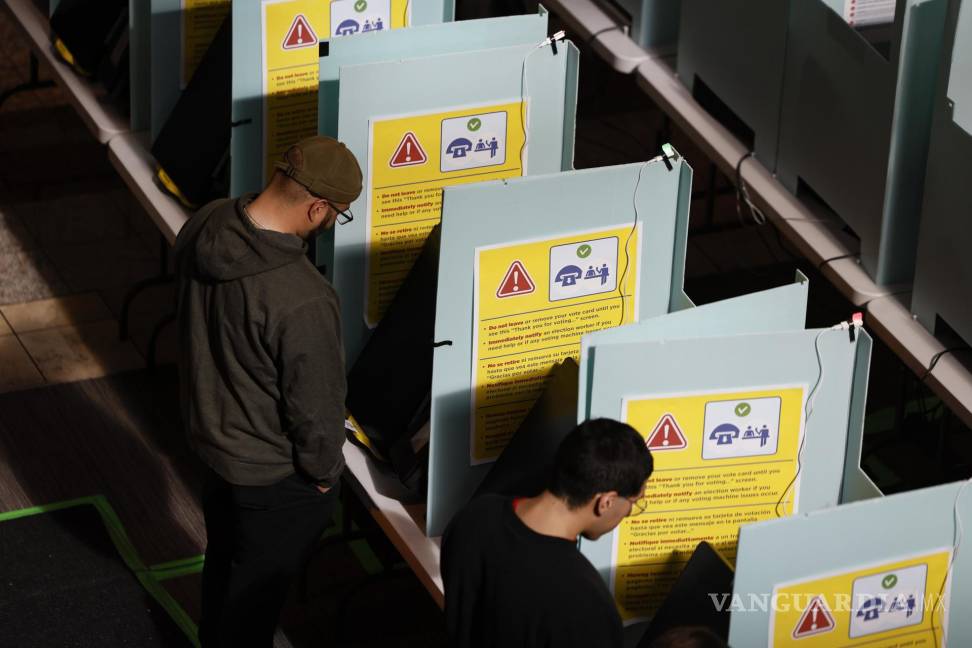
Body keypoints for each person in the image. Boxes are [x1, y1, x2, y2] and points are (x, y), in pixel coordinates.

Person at [174, 135, 362, 647]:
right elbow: (316, 409)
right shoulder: (303, 298)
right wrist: (324, 477)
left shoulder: (208, 220)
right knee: (252, 609)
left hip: (213, 447)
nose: (329, 225)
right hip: (272, 477)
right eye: (336, 215)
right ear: (318, 207)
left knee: (224, 574)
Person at [441, 418, 655, 648]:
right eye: (634, 502)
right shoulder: (586, 602)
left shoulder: (474, 517)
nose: (630, 511)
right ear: (606, 502)